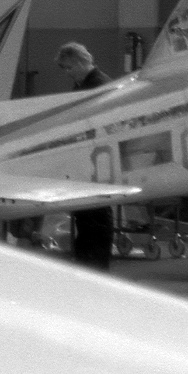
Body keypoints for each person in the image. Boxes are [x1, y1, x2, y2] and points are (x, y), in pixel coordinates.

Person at [56, 41, 114, 269]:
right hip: (88, 159)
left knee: (95, 217)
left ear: (81, 62)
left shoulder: (98, 86)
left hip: (96, 160)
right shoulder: (84, 85)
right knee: (86, 217)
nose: (68, 73)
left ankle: (96, 264)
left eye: (69, 67)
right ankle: (88, 262)